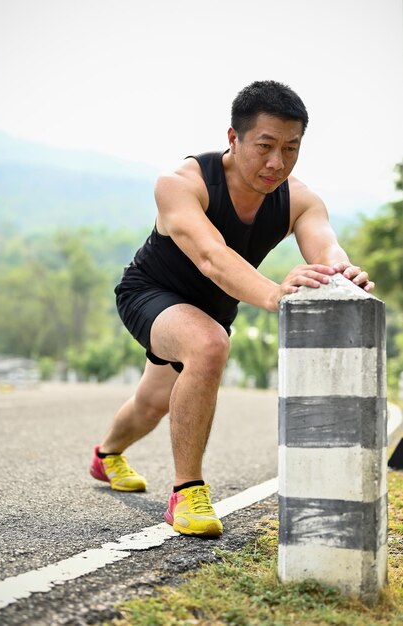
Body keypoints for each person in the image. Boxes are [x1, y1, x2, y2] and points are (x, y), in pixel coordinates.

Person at [90, 80, 374, 537]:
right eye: (264, 146)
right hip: (152, 292)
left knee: (152, 403)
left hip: (214, 304)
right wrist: (274, 294)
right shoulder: (181, 183)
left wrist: (342, 274)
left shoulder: (299, 199)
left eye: (290, 148)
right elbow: (211, 256)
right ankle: (187, 491)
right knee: (207, 343)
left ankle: (106, 456)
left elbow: (326, 247)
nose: (276, 162)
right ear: (233, 138)